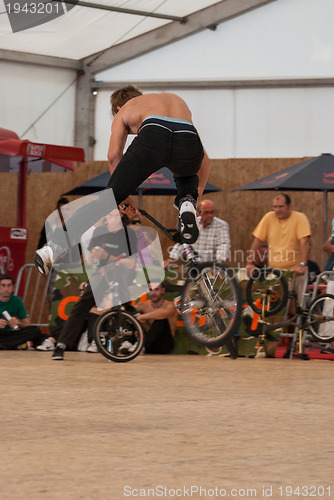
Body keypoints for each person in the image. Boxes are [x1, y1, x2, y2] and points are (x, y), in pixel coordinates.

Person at [35, 85, 210, 276]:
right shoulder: (173, 101)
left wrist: (121, 194)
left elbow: (113, 155)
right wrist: (195, 195)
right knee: (186, 177)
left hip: (154, 137)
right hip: (188, 140)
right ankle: (186, 204)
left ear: (117, 108)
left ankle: (52, 248)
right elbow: (204, 159)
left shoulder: (127, 108)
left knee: (106, 200)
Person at [52, 209, 137, 360]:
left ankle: (127, 304)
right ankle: (61, 345)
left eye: (116, 215)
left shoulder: (128, 234)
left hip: (124, 273)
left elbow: (130, 264)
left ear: (122, 215)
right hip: (102, 274)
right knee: (82, 304)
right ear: (105, 218)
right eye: (110, 215)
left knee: (118, 269)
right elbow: (91, 261)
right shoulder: (100, 231)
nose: (113, 218)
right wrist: (94, 256)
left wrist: (108, 256)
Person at [246, 193, 311, 357]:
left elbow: (305, 241)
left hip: (295, 270)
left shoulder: (299, 218)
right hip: (275, 273)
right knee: (271, 309)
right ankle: (267, 346)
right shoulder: (269, 217)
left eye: (281, 207)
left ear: (290, 206)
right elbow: (257, 241)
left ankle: (291, 344)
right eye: (275, 207)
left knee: (293, 309)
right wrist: (250, 262)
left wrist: (303, 265)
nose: (277, 210)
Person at [166, 199, 230, 264]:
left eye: (212, 212)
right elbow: (182, 243)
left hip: (212, 265)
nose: (210, 215)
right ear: (198, 212)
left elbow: (223, 244)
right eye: (206, 212)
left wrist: (219, 261)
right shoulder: (192, 224)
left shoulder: (221, 225)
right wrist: (170, 260)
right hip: (194, 265)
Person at [0, 274, 46, 350]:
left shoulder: (17, 300)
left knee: (35, 330)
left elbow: (28, 324)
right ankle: (10, 344)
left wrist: (18, 322)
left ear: (13, 288)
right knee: (41, 337)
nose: (6, 288)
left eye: (9, 286)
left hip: (9, 334)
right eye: (3, 285)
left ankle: (6, 344)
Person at [134, 281, 177, 354]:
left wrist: (141, 317)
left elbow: (164, 313)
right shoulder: (144, 306)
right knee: (129, 316)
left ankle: (141, 346)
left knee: (161, 320)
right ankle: (127, 344)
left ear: (162, 291)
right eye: (150, 290)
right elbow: (128, 310)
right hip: (149, 345)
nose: (153, 293)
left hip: (164, 345)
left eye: (156, 289)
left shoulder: (170, 306)